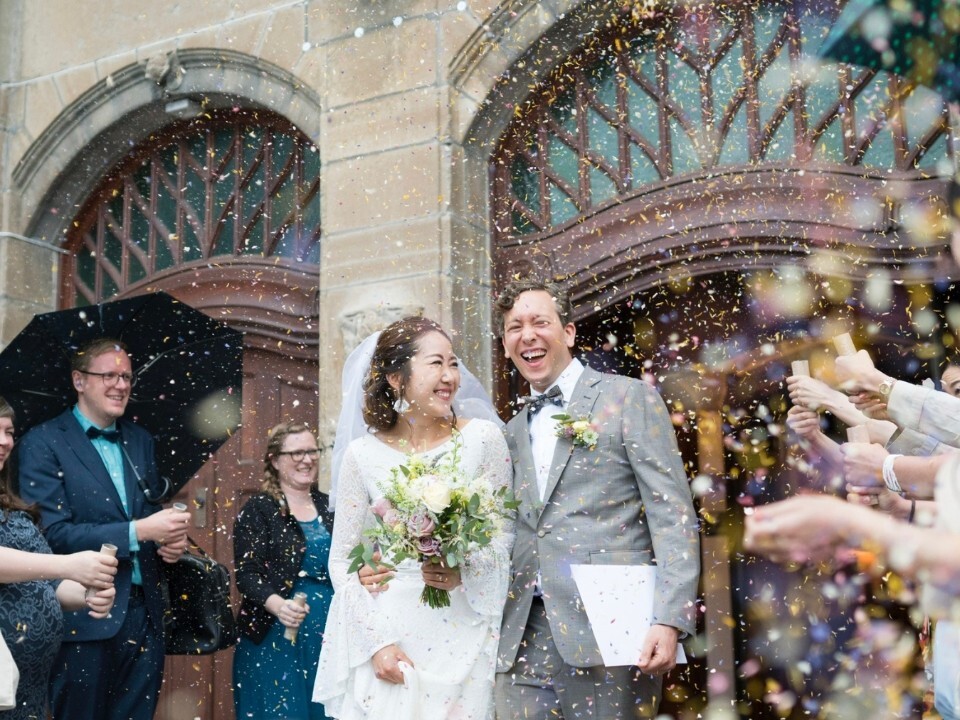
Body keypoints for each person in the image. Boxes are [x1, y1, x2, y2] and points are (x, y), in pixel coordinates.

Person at [493, 279, 701, 719]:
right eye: (515, 327)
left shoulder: (627, 398)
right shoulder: (508, 432)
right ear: (506, 343)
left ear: (568, 332)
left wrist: (669, 617)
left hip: (612, 625)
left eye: (539, 322)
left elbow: (673, 514)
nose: (527, 335)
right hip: (520, 633)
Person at [313, 316, 513, 719]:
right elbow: (342, 559)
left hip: (464, 626)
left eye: (454, 363)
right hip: (391, 632)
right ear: (395, 378)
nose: (450, 376)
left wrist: (466, 568)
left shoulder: (483, 439)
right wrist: (376, 644)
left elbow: (504, 536)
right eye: (436, 363)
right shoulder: (361, 457)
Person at [18, 337, 190, 720]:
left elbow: (146, 518)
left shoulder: (141, 440)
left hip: (146, 617)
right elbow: (50, 536)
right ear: (79, 381)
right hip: (84, 617)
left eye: (127, 376)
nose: (122, 385)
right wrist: (139, 530)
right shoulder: (42, 443)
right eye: (109, 375)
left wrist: (170, 544)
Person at [0, 395, 117, 720]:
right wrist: (68, 564)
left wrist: (87, 594)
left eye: (9, 432)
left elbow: (49, 585)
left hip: (28, 693)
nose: (4, 441)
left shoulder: (14, 511)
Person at [233, 421, 334, 720]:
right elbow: (247, 575)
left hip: (329, 634)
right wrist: (280, 606)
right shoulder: (259, 509)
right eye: (297, 453)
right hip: (274, 635)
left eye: (313, 451)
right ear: (275, 461)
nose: (307, 459)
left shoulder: (331, 507)